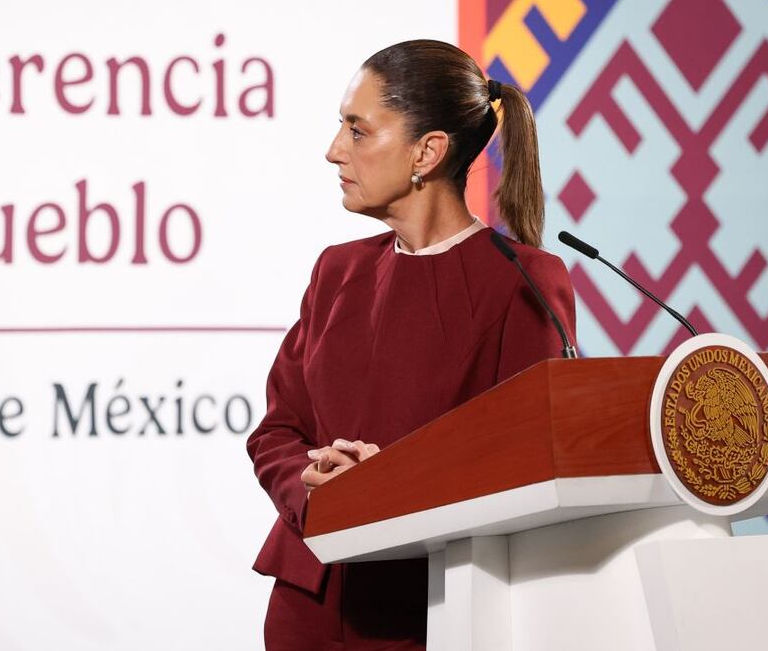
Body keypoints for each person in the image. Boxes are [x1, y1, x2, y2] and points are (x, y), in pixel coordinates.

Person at [245, 39, 577, 649]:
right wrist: (312, 482)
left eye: (357, 130)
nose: (334, 150)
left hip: (430, 610)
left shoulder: (523, 282)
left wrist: (391, 487)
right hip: (306, 602)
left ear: (427, 151)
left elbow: (526, 463)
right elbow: (277, 431)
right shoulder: (336, 270)